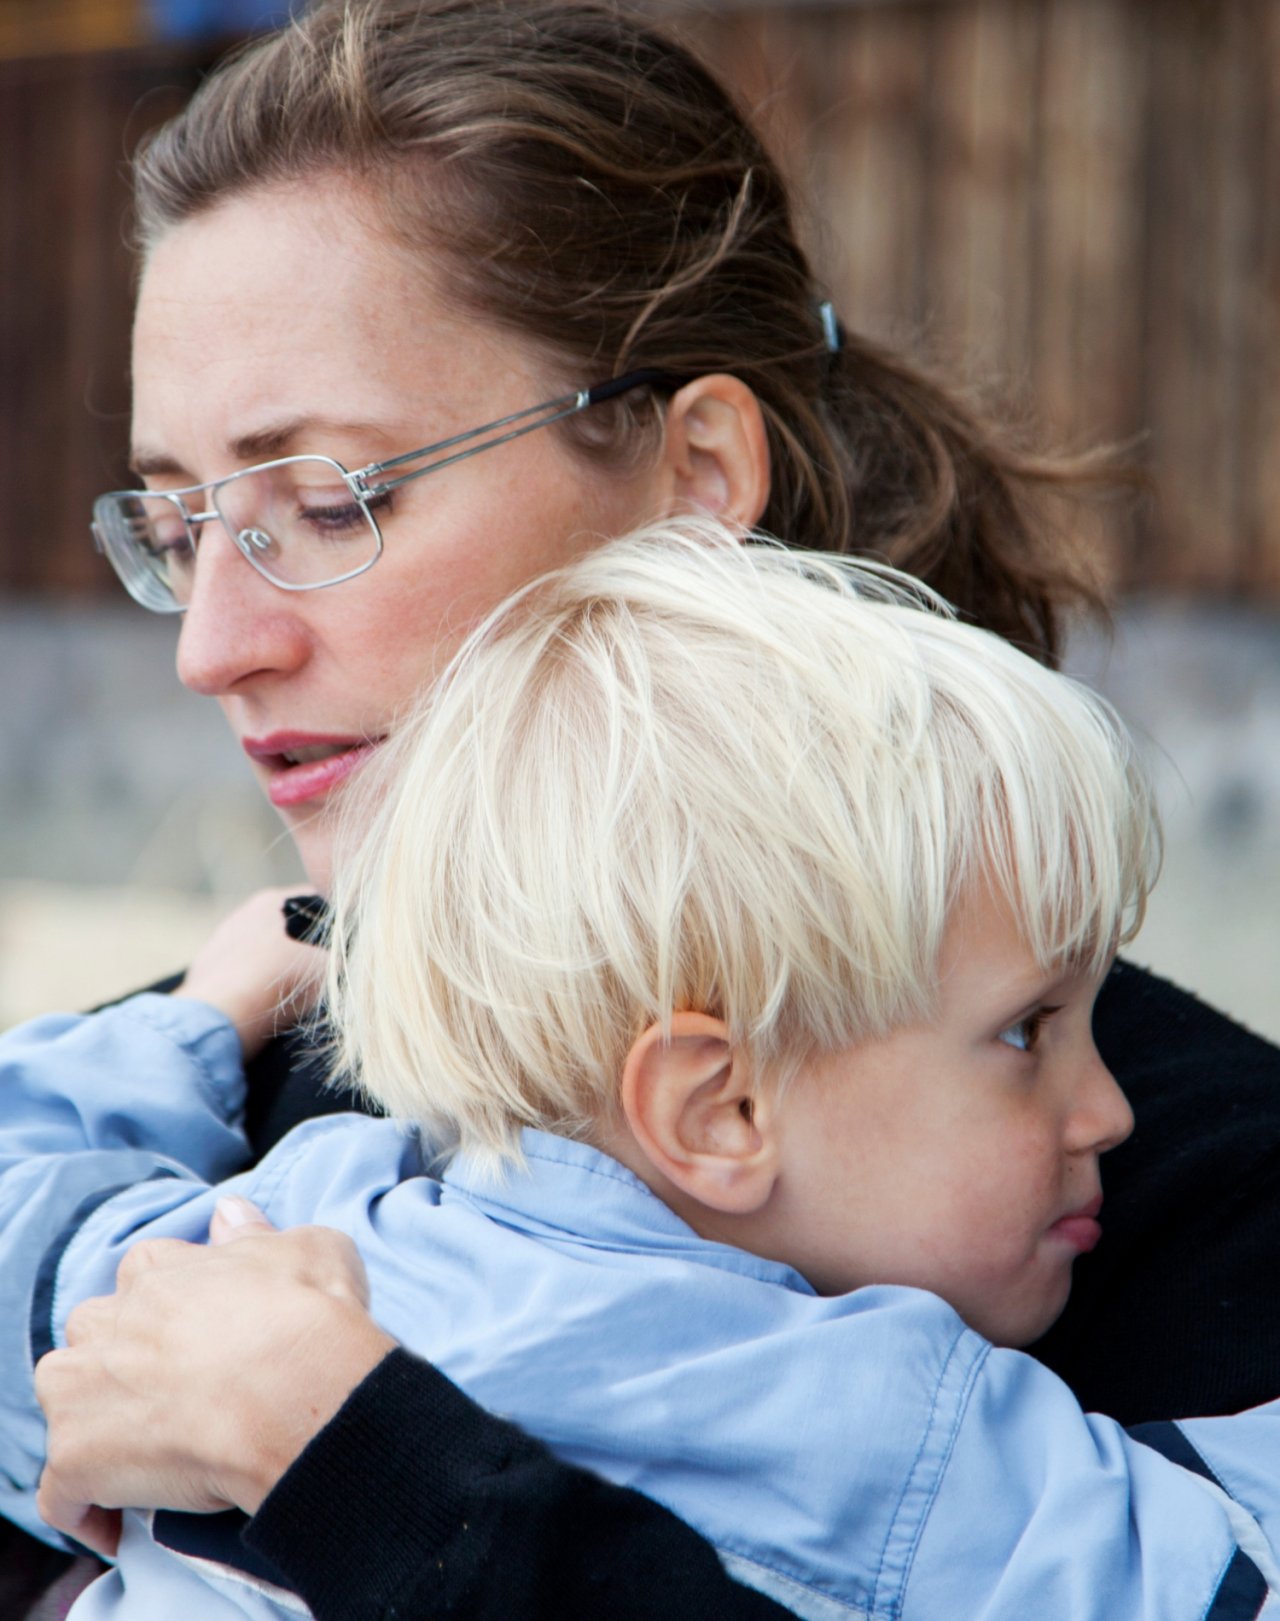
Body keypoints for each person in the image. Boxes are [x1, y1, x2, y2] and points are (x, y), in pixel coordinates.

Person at [16, 0, 1280, 1615]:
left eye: (328, 501)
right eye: (182, 527)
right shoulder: (237, 1049)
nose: (212, 646)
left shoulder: (1179, 1206)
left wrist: (362, 1464)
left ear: (695, 479)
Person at [12, 526, 1280, 1621]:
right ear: (714, 1109)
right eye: (1027, 1032)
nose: (1108, 1109)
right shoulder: (872, 1419)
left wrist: (198, 1015)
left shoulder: (286, 1232)